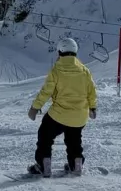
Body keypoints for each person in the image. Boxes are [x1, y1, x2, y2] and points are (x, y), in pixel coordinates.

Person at [29, 38, 98, 177]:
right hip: (79, 116)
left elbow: (46, 91)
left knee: (45, 135)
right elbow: (92, 91)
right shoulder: (85, 71)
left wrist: (35, 108)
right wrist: (93, 108)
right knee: (74, 139)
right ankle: (76, 164)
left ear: (60, 52)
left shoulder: (56, 70)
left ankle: (43, 165)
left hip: (59, 114)